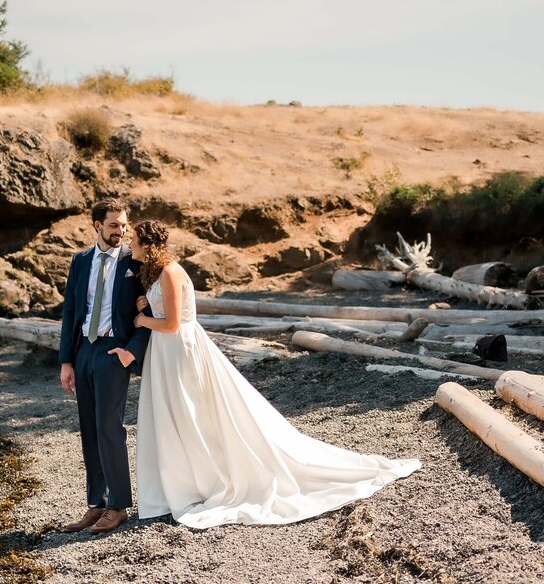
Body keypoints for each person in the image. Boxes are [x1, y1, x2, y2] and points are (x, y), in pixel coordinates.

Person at [128, 219, 421, 529]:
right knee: (178, 416)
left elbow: (174, 323)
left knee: (194, 413)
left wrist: (141, 321)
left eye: (133, 239)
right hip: (166, 352)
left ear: (148, 245)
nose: (129, 244)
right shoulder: (158, 273)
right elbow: (167, 312)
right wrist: (149, 306)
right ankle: (188, 480)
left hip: (179, 349)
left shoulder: (172, 272)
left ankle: (208, 479)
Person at [58, 199, 150, 534]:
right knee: (89, 429)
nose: (121, 231)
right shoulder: (80, 260)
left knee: (110, 428)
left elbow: (150, 311)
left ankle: (119, 506)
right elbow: (71, 311)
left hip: (114, 351)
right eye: (114, 225)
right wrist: (66, 360)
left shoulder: (134, 261)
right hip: (84, 351)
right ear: (97, 225)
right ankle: (96, 505)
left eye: (124, 225)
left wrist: (130, 352)